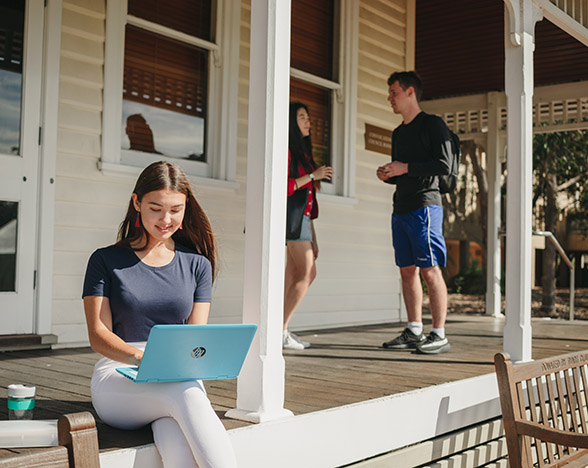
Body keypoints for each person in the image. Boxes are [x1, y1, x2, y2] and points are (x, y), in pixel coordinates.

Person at [82, 161, 238, 468]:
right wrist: (145, 360)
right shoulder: (105, 260)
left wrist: (199, 358)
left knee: (178, 446)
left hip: (177, 377)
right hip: (119, 375)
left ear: (186, 207)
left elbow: (196, 339)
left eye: (175, 210)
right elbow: (98, 336)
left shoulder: (198, 265)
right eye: (155, 208)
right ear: (137, 202)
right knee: (187, 395)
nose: (166, 219)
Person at [376, 71, 451, 355]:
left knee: (430, 270)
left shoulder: (432, 125)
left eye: (393, 92)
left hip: (425, 207)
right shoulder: (398, 133)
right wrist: (388, 174)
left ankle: (439, 333)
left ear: (410, 93)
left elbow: (443, 165)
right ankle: (415, 330)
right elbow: (403, 172)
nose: (389, 98)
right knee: (407, 271)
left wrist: (404, 167)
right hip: (401, 208)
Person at [283, 102, 333, 350]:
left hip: (302, 222)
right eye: (302, 117)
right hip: (291, 222)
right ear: (292, 121)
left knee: (293, 275)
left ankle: (282, 329)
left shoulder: (303, 155)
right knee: (307, 273)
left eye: (309, 118)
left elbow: (309, 204)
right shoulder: (288, 152)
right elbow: (286, 187)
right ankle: (279, 330)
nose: (308, 122)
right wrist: (314, 176)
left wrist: (314, 237)